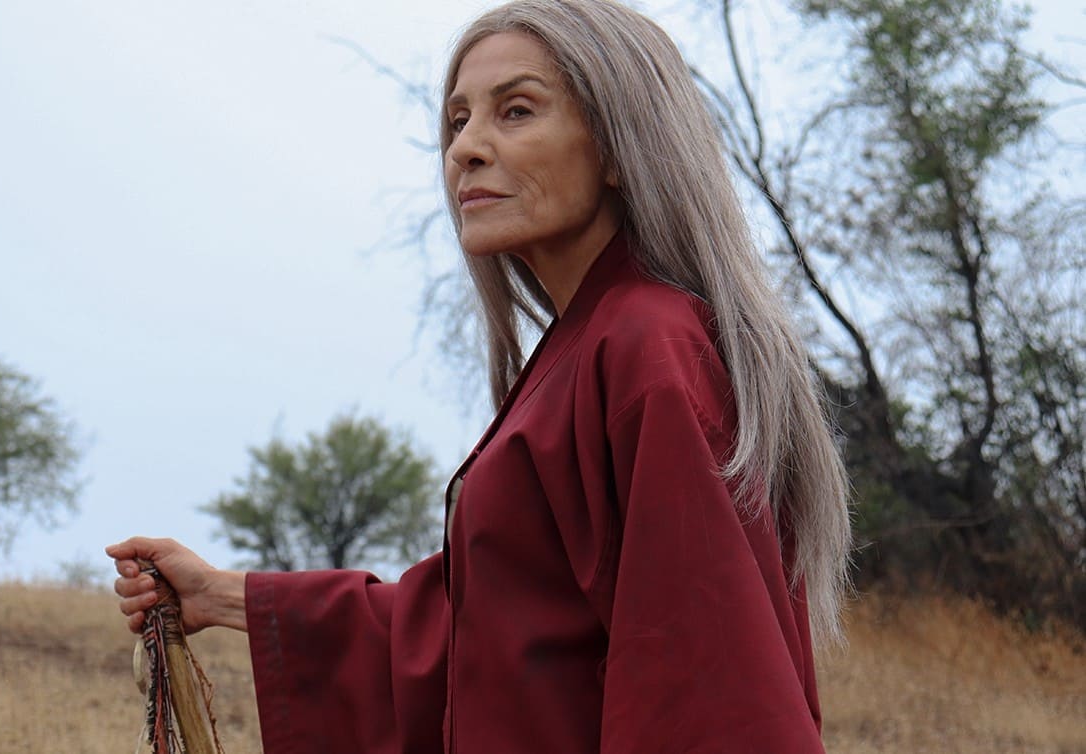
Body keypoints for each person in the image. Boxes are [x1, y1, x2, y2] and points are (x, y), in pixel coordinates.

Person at [108, 1, 852, 751]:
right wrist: (226, 597)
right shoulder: (587, 348)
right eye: (458, 120)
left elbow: (711, 684)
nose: (464, 147)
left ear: (620, 146)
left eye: (516, 110)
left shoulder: (649, 346)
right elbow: (481, 630)